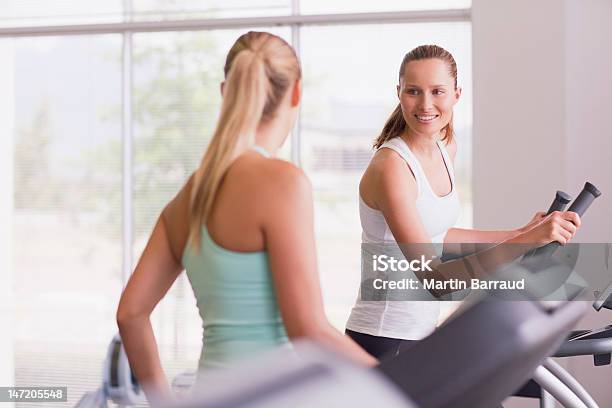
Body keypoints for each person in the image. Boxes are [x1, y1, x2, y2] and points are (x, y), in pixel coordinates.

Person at [116, 31, 376, 402]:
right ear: (296, 94)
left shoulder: (190, 194)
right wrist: (395, 381)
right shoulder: (284, 183)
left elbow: (130, 314)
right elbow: (308, 330)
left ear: (227, 91)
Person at [345, 45, 581, 359]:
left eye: (437, 91)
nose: (425, 104)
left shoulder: (445, 147)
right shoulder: (392, 168)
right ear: (398, 93)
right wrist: (526, 240)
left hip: (420, 335)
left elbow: (438, 235)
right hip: (383, 339)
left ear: (457, 94)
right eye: (413, 91)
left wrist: (519, 232)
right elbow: (436, 280)